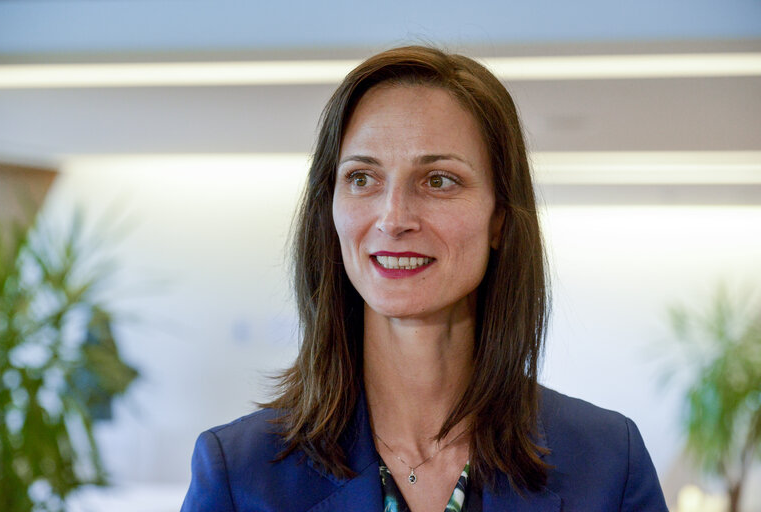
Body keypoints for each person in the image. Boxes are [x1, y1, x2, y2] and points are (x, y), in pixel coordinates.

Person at [181, 46, 668, 512]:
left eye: (438, 180)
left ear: (499, 218)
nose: (393, 218)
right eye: (362, 178)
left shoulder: (608, 463)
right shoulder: (240, 473)